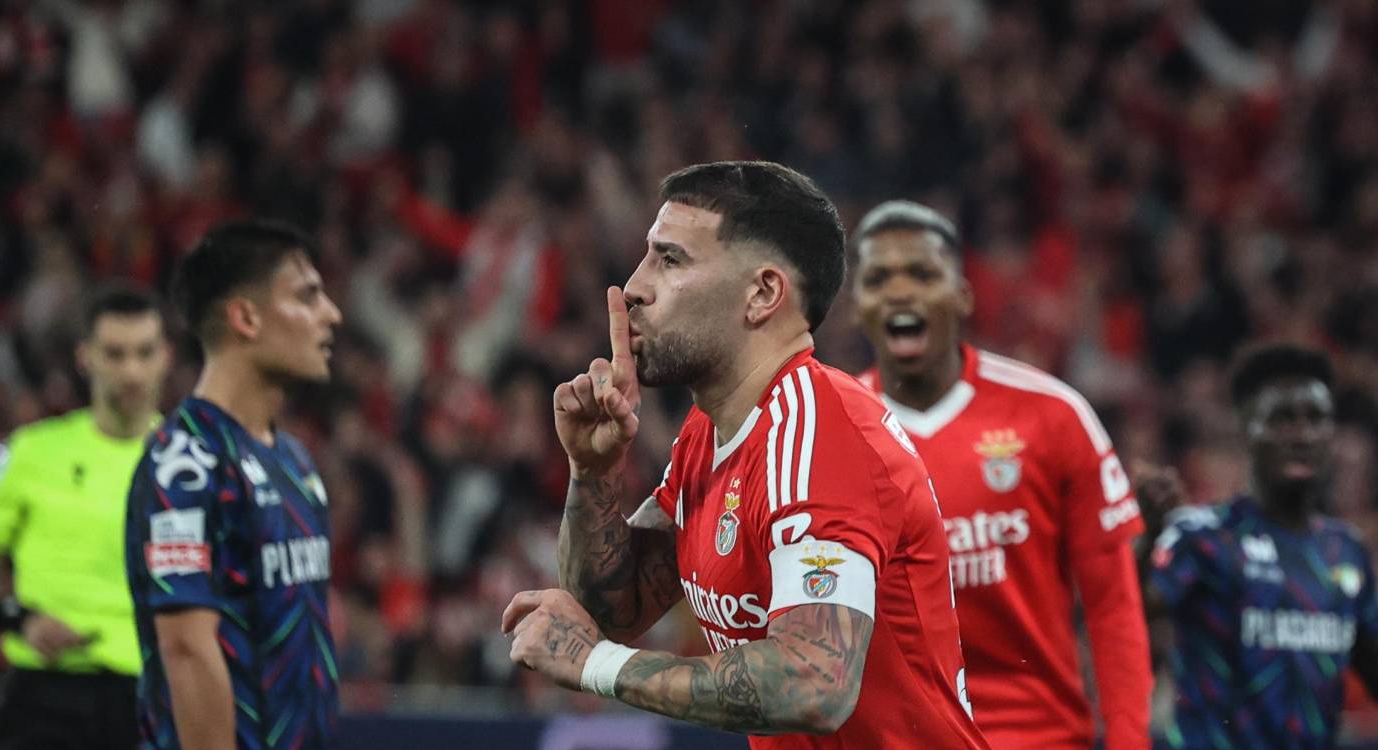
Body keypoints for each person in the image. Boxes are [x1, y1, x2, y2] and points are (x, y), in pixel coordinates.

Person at [500, 161, 990, 748]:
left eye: (670, 260)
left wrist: (596, 664)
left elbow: (814, 682)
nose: (634, 286)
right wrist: (594, 471)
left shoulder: (823, 437)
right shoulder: (709, 432)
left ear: (762, 294)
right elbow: (613, 609)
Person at [850, 200, 1152, 749]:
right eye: (878, 279)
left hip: (1039, 737)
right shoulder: (831, 431)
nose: (900, 292)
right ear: (856, 305)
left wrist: (1130, 741)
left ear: (963, 295)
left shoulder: (1054, 415)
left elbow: (1113, 605)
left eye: (921, 274)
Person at [125, 219, 343, 749]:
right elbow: (186, 650)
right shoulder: (186, 466)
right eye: (307, 296)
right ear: (245, 317)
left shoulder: (293, 460)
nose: (331, 314)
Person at [0, 284, 170, 750]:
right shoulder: (29, 453)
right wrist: (19, 620)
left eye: (144, 352)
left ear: (165, 357)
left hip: (155, 694)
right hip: (47, 697)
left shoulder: (193, 465)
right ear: (84, 358)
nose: (131, 371)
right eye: (114, 354)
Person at [1146, 344, 1378, 749]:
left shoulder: (1346, 552)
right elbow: (1131, 607)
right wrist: (1146, 539)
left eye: (1316, 418)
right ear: (1244, 426)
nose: (1302, 435)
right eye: (1282, 419)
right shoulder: (1203, 537)